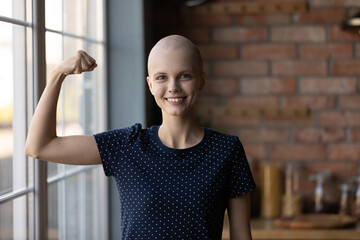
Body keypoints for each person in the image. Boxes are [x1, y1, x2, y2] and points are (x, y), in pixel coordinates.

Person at [25, 35, 256, 240]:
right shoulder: (127, 146)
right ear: (150, 85)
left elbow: (241, 235)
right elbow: (39, 146)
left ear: (202, 80)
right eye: (162, 77)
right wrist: (58, 73)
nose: (173, 87)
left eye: (184, 76)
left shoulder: (227, 150)